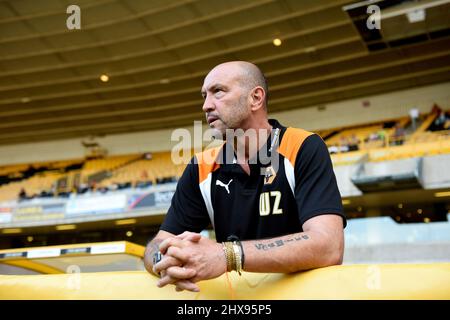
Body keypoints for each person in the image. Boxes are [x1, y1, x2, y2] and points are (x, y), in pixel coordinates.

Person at [144, 61, 346, 292]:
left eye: (218, 91)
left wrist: (227, 255)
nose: (206, 106)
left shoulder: (303, 147)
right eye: (204, 95)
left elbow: (329, 246)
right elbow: (157, 244)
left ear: (256, 98)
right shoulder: (200, 167)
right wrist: (166, 262)